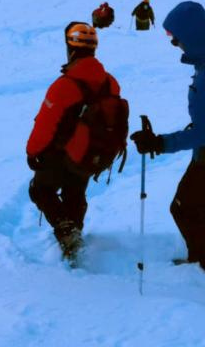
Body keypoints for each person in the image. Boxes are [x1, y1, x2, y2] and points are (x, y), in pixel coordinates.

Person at [130, 1, 205, 287]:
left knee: (184, 209)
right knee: (191, 205)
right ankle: (199, 258)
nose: (175, 44)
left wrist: (160, 143)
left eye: (175, 38)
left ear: (191, 34)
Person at [25, 22, 124, 264]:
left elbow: (46, 124)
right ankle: (74, 234)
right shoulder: (110, 81)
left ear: (70, 48)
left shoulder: (65, 85)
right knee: (75, 192)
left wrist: (32, 152)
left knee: (40, 190)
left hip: (62, 154)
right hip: (92, 153)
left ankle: (67, 232)